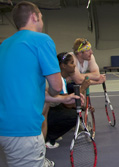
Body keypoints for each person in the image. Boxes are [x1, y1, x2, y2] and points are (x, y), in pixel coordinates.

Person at [0, 1, 76, 167]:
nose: (41, 22)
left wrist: (62, 100)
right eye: (41, 17)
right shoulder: (41, 40)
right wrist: (57, 94)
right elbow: (56, 86)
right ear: (34, 17)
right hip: (23, 129)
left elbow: (21, 90)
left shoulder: (5, 45)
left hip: (4, 129)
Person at [43, 52, 97, 149]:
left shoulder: (61, 78)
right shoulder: (58, 79)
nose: (74, 65)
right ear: (63, 66)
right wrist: (83, 88)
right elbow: (68, 104)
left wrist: (85, 107)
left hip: (50, 109)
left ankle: (51, 132)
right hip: (43, 113)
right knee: (74, 116)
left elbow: (66, 103)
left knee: (73, 109)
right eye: (72, 63)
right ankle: (49, 138)